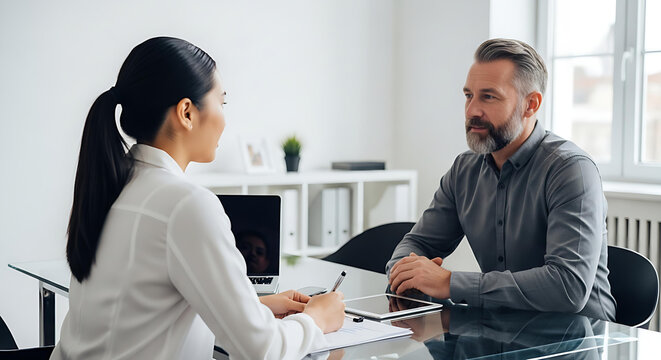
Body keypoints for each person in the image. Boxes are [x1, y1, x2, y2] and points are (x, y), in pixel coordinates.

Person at [51, 37, 345, 360]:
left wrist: (254, 308)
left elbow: (142, 311)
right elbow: (262, 350)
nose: (225, 118)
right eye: (222, 103)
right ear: (187, 113)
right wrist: (316, 319)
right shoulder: (185, 205)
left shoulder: (116, 184)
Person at [386, 38, 616, 321]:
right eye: (469, 95)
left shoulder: (571, 171)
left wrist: (448, 282)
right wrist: (406, 272)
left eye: (489, 97)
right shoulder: (464, 170)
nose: (472, 111)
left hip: (577, 339)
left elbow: (567, 288)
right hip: (501, 331)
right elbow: (417, 244)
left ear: (530, 104)